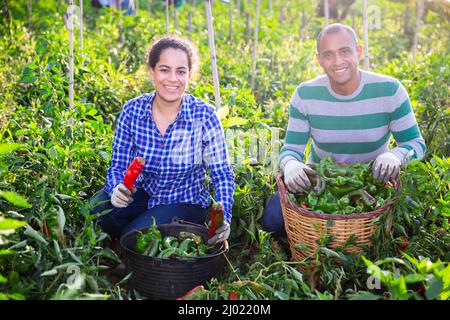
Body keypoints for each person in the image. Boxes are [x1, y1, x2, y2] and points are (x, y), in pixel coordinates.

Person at [263, 23, 426, 236]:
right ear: (319, 59)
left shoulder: (390, 91)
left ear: (358, 51)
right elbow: (291, 149)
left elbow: (416, 144)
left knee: (414, 216)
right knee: (273, 218)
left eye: (345, 51)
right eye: (328, 55)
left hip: (372, 183)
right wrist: (291, 164)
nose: (338, 61)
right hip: (321, 182)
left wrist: (395, 156)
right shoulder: (305, 95)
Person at [90, 36, 234, 246]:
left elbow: (221, 174)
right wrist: (115, 189)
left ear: (189, 75)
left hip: (185, 200)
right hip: (145, 194)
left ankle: (141, 238)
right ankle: (141, 231)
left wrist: (224, 218)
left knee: (133, 238)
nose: (172, 79)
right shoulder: (133, 110)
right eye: (164, 69)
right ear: (152, 72)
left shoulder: (204, 115)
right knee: (98, 208)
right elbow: (118, 165)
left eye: (181, 71)